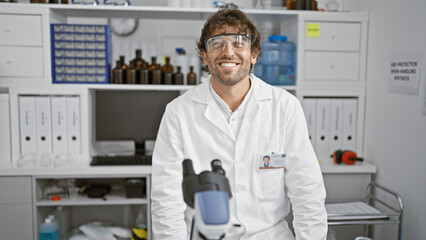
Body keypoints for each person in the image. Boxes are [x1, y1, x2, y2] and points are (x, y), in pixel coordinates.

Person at [151, 8, 327, 240]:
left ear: (254, 54)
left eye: (239, 42)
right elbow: (166, 201)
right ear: (204, 56)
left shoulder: (285, 107)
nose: (228, 51)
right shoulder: (178, 112)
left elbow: (307, 191)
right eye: (216, 43)